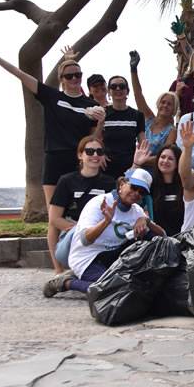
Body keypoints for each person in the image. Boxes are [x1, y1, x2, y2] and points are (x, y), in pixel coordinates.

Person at [0, 42, 105, 205]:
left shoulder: (90, 104)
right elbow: (20, 74)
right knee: (54, 213)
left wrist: (101, 122)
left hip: (79, 162)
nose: (74, 78)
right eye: (69, 76)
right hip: (55, 158)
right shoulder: (51, 96)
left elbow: (94, 139)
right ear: (62, 79)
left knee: (79, 211)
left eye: (78, 75)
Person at [43, 170, 161, 297]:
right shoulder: (99, 203)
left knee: (151, 238)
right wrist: (106, 221)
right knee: (114, 290)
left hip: (112, 256)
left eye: (141, 192)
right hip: (88, 257)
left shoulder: (137, 210)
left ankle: (99, 277)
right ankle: (66, 282)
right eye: (134, 187)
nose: (136, 194)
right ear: (122, 184)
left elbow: (162, 236)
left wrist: (146, 220)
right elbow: (85, 240)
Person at [47, 136, 116, 273]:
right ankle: (59, 270)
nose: (95, 155)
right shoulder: (66, 181)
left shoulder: (109, 183)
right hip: (74, 234)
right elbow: (54, 218)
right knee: (52, 226)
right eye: (89, 151)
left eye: (99, 151)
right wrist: (80, 231)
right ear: (80, 155)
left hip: (99, 233)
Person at [129, 51, 178, 158]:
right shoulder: (148, 118)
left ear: (174, 109)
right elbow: (138, 94)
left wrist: (141, 160)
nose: (165, 105)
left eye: (169, 104)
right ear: (158, 104)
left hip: (154, 169)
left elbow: (164, 156)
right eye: (163, 102)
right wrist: (133, 69)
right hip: (135, 164)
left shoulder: (172, 131)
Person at [101, 75, 145, 178]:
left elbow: (143, 143)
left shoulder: (137, 115)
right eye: (113, 86)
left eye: (122, 86)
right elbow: (95, 138)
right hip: (106, 167)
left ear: (127, 91)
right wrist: (99, 153)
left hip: (130, 167)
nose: (118, 89)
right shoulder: (102, 113)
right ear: (109, 91)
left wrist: (138, 163)